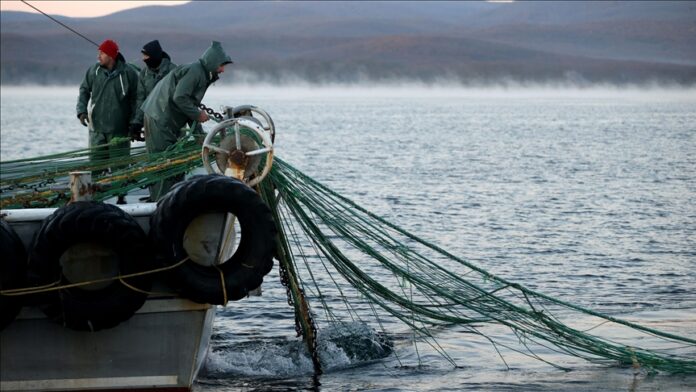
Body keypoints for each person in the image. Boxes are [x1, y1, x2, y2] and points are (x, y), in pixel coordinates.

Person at [141, 41, 233, 201]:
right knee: (164, 163)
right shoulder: (196, 72)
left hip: (163, 118)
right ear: (212, 62)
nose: (223, 70)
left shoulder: (202, 74)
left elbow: (189, 103)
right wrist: (198, 115)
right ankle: (161, 202)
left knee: (171, 162)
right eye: (221, 65)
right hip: (159, 117)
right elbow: (180, 98)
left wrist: (200, 138)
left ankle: (169, 199)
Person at [76, 39, 139, 203]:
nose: (99, 55)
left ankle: (121, 196)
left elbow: (137, 99)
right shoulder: (93, 71)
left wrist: (135, 122)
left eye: (102, 53)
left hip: (119, 129)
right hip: (97, 128)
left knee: (120, 165)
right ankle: (96, 198)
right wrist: (81, 111)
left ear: (111, 55)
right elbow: (84, 91)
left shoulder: (128, 73)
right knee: (96, 165)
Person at [129, 40, 177, 142]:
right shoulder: (144, 74)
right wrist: (137, 123)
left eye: (146, 56)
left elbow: (181, 98)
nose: (143, 59)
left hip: (172, 124)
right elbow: (141, 100)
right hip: (151, 124)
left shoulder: (173, 71)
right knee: (155, 156)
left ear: (154, 55)